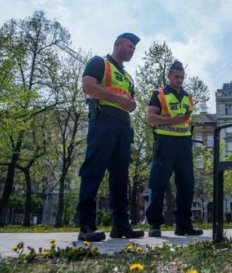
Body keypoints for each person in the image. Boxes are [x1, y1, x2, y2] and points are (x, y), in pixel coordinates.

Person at [77, 32, 145, 242]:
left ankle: (121, 225)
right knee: (93, 172)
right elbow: (88, 87)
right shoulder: (100, 63)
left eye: (134, 48)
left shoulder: (128, 77)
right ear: (117, 44)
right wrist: (117, 97)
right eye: (129, 46)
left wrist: (131, 104)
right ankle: (86, 225)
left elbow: (130, 101)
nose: (132, 50)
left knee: (120, 178)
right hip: (103, 123)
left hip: (123, 128)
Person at [145, 60, 203, 237]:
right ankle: (155, 224)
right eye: (176, 76)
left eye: (182, 77)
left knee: (187, 184)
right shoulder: (159, 94)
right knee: (158, 183)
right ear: (169, 76)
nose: (179, 80)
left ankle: (183, 224)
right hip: (165, 143)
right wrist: (171, 120)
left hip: (184, 144)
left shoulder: (188, 96)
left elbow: (186, 120)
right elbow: (150, 118)